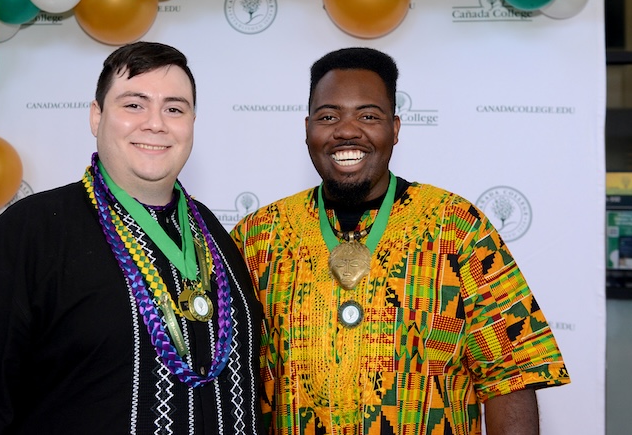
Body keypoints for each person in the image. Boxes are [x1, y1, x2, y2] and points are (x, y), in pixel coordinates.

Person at [0, 42, 264, 435]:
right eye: (133, 104)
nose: (156, 123)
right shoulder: (31, 231)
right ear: (96, 116)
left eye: (174, 108)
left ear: (192, 122)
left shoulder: (214, 235)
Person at [231, 47, 570, 435]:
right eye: (329, 116)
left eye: (368, 116)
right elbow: (230, 377)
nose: (347, 130)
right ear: (307, 128)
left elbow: (511, 375)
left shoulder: (457, 227)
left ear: (395, 128)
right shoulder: (258, 236)